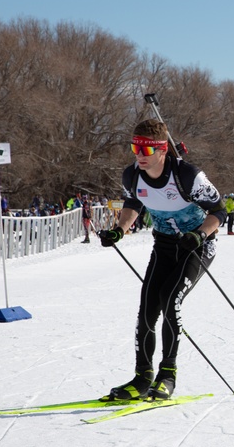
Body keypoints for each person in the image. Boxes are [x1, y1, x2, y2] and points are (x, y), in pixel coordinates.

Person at [96, 119, 227, 400]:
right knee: (147, 309)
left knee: (170, 300)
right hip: (165, 246)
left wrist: (200, 235)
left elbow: (219, 211)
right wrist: (119, 231)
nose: (139, 155)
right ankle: (142, 378)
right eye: (135, 147)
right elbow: (133, 203)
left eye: (145, 149)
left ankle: (167, 375)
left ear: (162, 150)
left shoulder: (188, 176)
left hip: (196, 247)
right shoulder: (132, 175)